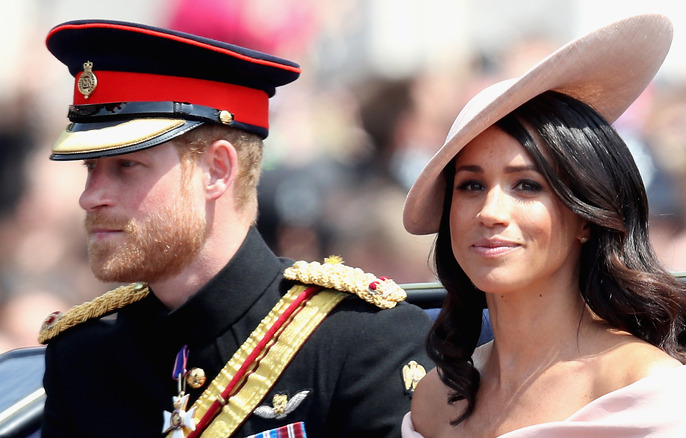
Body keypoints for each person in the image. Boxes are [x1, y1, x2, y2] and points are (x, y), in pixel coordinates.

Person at [37, 19, 433, 438]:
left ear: (217, 170)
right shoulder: (82, 355)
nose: (90, 196)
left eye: (125, 166)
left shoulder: (363, 340)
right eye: (90, 168)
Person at [400, 14, 686, 437]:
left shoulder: (642, 386)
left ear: (585, 218)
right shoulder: (434, 399)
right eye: (472, 185)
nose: (490, 211)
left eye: (527, 185)